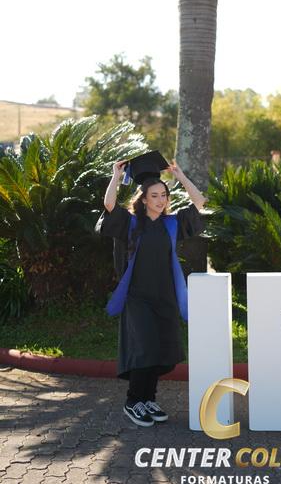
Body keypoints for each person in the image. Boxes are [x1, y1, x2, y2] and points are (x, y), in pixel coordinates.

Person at [95, 152, 207, 427]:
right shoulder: (131, 224)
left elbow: (200, 202)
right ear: (143, 199)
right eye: (154, 196)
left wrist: (180, 176)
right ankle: (133, 401)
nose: (160, 200)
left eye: (164, 195)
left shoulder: (172, 224)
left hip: (165, 297)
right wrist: (116, 176)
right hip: (137, 298)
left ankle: (149, 399)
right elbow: (109, 205)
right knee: (144, 348)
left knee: (159, 350)